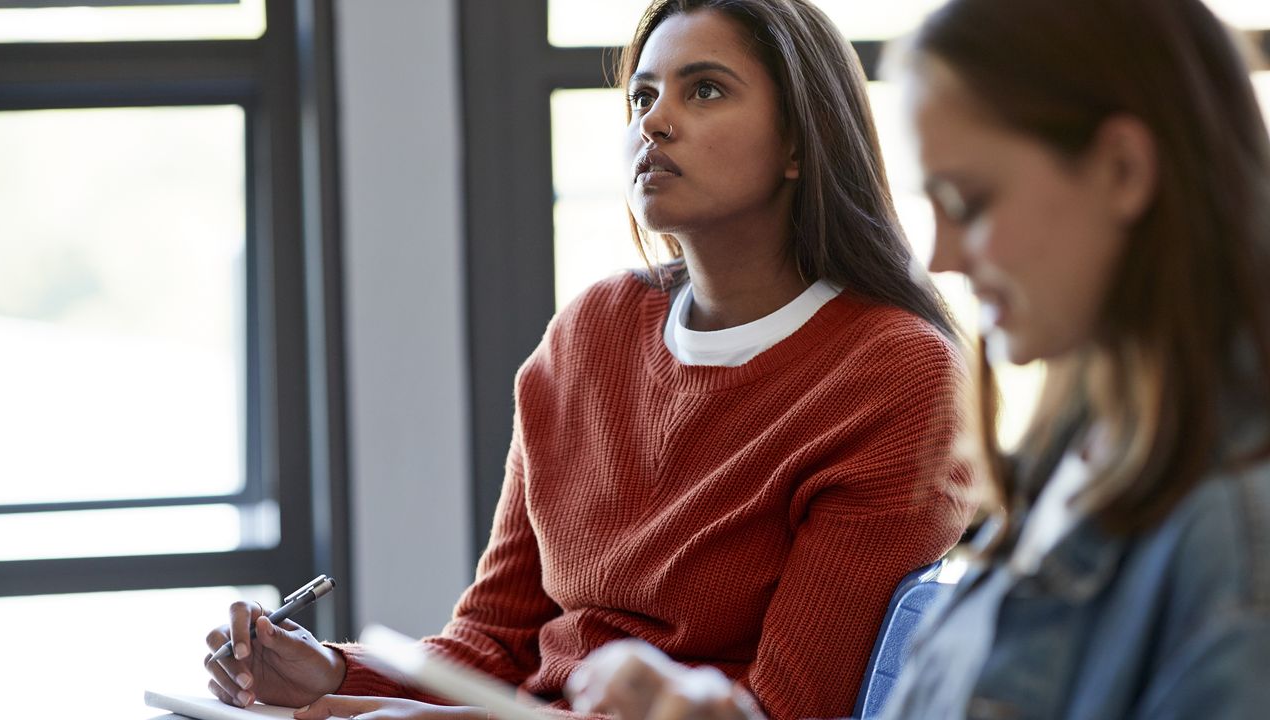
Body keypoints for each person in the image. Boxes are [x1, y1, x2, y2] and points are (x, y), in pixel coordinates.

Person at [204, 1, 975, 718]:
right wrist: (332, 672)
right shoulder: (590, 332)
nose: (655, 123)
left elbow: (788, 710)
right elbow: (494, 645)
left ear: (800, 144)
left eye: (704, 91)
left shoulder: (897, 378)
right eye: (641, 98)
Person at [563, 0, 1270, 718]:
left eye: (971, 201)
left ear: (1123, 171)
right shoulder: (1079, 464)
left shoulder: (1234, 538)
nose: (943, 256)